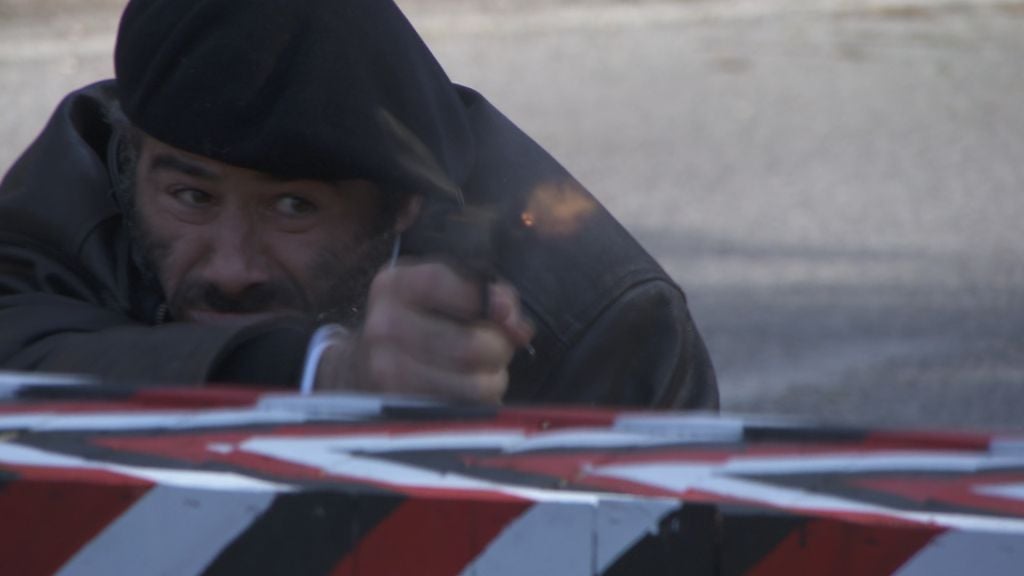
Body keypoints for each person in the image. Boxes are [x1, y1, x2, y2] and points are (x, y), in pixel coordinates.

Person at [0, 0, 717, 409]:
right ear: (132, 157)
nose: (230, 266)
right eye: (191, 196)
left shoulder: (601, 322)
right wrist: (331, 375)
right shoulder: (88, 171)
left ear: (401, 206)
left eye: (292, 207)